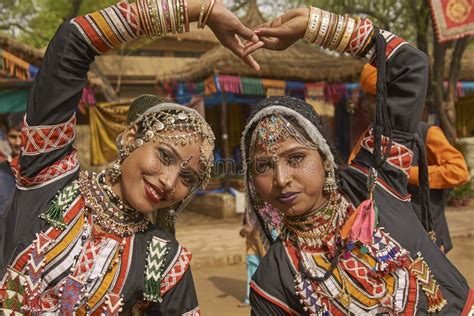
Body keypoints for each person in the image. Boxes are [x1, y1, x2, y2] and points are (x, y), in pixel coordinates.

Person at [0, 0, 261, 314]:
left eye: (187, 178)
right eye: (164, 156)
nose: (168, 181)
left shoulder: (165, 262)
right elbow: (71, 44)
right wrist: (199, 10)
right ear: (130, 138)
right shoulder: (48, 175)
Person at [241, 6, 474, 314]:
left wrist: (317, 26)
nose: (281, 178)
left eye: (296, 158)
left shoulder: (373, 180)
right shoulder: (273, 281)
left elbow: (408, 67)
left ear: (325, 158)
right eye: (263, 166)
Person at [350, 64, 470, 253]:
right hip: (388, 239)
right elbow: (353, 176)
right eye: (369, 101)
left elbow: (459, 172)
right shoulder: (368, 139)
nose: (369, 107)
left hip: (427, 233)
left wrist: (406, 173)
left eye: (376, 101)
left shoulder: (426, 133)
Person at [0, 113, 23, 216]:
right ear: (5, 135)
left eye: (21, 137)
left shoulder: (38, 167)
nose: (18, 142)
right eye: (13, 137)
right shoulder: (3, 172)